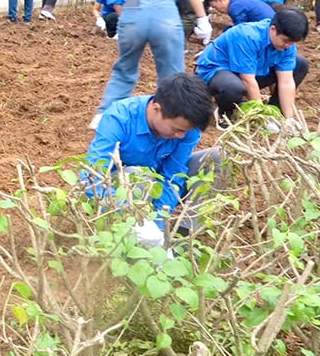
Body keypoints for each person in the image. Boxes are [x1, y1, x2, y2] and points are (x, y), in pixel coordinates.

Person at [89, 0, 210, 129]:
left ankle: (104, 115)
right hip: (166, 12)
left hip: (132, 9)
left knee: (125, 69)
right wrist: (203, 19)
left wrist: (127, 16)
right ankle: (171, 116)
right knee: (172, 73)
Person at [83, 73, 221, 247]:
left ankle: (184, 234)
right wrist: (132, 217)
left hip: (158, 182)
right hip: (124, 190)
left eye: (185, 131)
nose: (181, 136)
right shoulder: (119, 118)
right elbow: (91, 177)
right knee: (139, 174)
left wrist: (159, 224)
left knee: (216, 157)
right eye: (176, 129)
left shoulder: (187, 128)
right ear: (156, 109)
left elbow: (174, 174)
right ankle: (129, 234)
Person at [195, 7, 309, 121]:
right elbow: (247, 80)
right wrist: (262, 116)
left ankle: (276, 113)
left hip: (250, 72)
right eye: (285, 41)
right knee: (233, 88)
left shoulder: (287, 45)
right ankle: (225, 114)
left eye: (293, 42)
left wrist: (290, 119)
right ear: (273, 29)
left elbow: (286, 81)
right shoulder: (247, 36)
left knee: (300, 64)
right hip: (218, 71)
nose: (288, 45)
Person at [203, 0, 275, 27]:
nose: (217, 10)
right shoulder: (238, 1)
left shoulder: (235, 7)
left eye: (215, 7)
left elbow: (240, 29)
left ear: (219, 0)